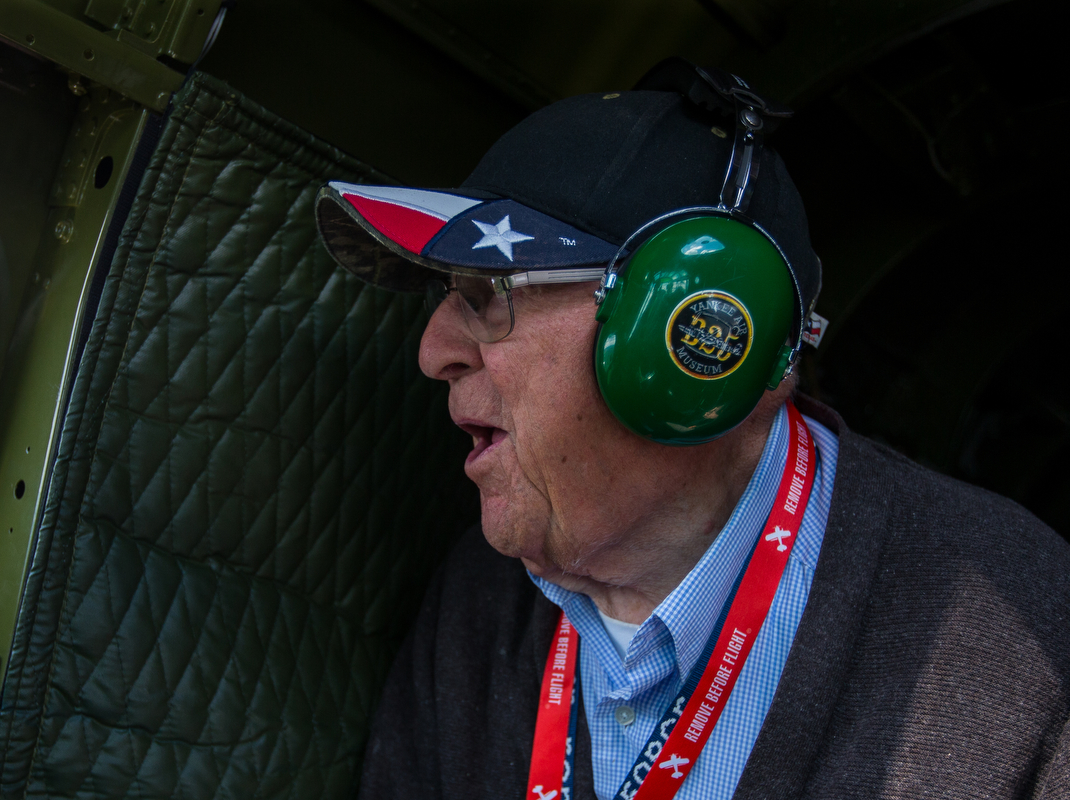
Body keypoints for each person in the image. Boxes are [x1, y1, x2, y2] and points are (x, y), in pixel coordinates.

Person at [314, 60, 1070, 800]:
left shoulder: (1021, 633)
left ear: (703, 338)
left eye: (485, 293)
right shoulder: (482, 605)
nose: (433, 352)